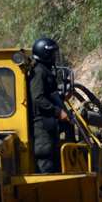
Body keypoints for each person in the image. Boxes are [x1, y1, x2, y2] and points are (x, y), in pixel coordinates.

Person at [29, 38, 67, 174]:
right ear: (44, 54)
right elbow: (37, 97)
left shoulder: (45, 70)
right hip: (41, 127)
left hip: (48, 125)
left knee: (54, 160)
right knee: (46, 161)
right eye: (52, 54)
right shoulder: (39, 71)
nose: (54, 57)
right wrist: (57, 112)